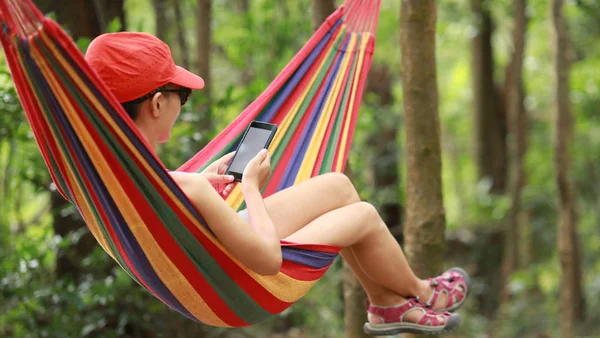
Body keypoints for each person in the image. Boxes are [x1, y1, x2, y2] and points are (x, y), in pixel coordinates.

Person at [85, 32, 470, 336]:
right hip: (235, 280)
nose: (181, 103)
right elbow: (269, 260)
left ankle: (386, 304)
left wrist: (196, 184)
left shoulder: (109, 173)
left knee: (337, 185)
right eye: (180, 95)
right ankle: (422, 293)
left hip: (213, 257)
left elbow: (169, 208)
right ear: (156, 104)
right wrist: (250, 187)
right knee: (364, 215)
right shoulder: (186, 187)